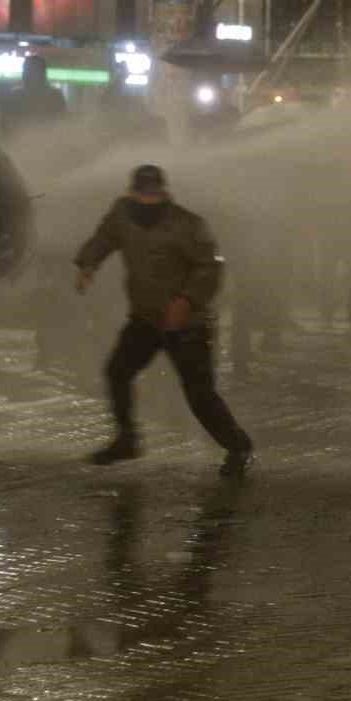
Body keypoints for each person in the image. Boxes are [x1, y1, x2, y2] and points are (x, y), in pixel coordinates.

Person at [75, 165, 253, 476]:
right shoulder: (121, 215)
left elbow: (209, 267)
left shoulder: (187, 223)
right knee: (118, 371)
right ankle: (127, 440)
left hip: (188, 325)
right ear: (132, 193)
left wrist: (187, 300)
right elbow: (103, 239)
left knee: (199, 394)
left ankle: (238, 447)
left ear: (164, 193)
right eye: (142, 195)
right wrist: (88, 264)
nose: (148, 202)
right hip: (145, 318)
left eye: (153, 195)